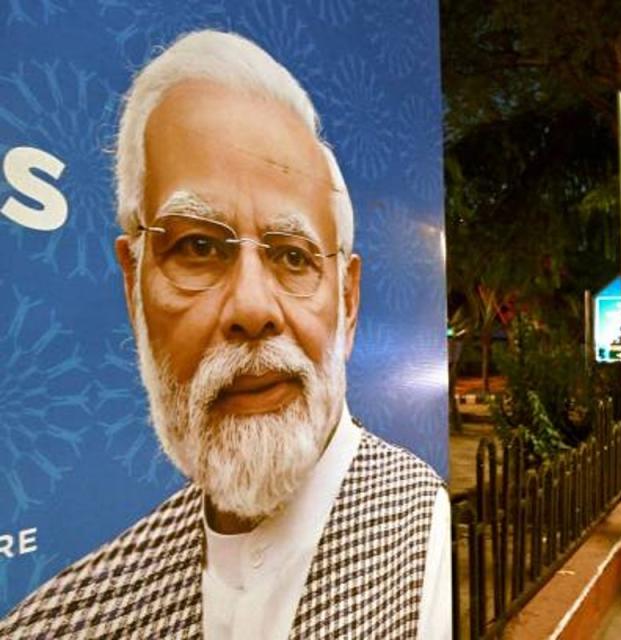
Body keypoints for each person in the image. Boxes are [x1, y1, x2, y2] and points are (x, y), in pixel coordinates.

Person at [0, 30, 450, 639]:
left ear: (346, 300)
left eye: (293, 257)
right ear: (134, 285)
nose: (252, 307)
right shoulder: (58, 622)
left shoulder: (423, 523)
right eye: (199, 247)